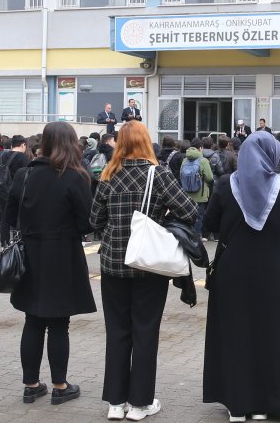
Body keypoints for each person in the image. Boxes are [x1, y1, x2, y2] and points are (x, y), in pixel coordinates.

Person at [92, 121, 197, 421]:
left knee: (117, 332)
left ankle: (115, 402)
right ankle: (139, 404)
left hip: (113, 264)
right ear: (146, 142)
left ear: (119, 144)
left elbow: (94, 219)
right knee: (146, 332)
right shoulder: (159, 174)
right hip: (150, 266)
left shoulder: (109, 175)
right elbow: (189, 211)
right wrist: (159, 219)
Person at [203, 131, 280, 421]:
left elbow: (209, 222)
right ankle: (266, 402)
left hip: (231, 273)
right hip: (272, 273)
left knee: (235, 333)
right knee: (270, 334)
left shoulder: (226, 185)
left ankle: (238, 403)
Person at [8, 121, 97, 407]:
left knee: (32, 319)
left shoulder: (24, 174)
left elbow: (10, 216)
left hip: (30, 253)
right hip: (63, 254)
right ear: (71, 143)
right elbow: (87, 222)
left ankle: (31, 385)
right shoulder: (74, 177)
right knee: (59, 323)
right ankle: (60, 385)